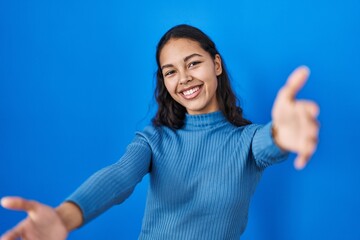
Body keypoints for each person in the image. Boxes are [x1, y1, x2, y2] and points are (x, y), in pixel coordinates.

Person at [0, 24, 319, 240]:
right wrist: (63, 218)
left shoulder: (247, 141)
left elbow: (269, 143)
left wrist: (281, 134)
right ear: (164, 81)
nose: (184, 79)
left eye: (193, 63)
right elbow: (119, 177)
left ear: (216, 65)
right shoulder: (155, 140)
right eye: (171, 72)